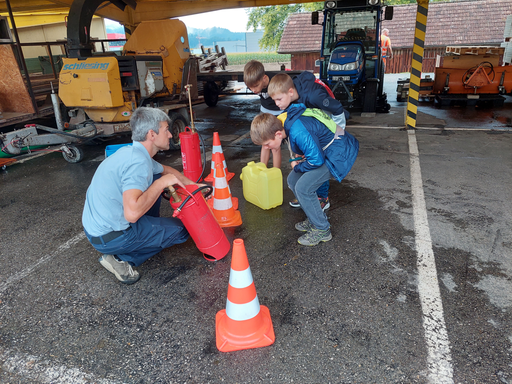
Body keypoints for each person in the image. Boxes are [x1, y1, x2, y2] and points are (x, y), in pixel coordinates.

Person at [82, 107, 201, 284]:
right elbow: (132, 214)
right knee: (183, 230)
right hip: (111, 236)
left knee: (156, 176)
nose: (170, 135)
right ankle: (121, 259)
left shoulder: (132, 153)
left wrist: (196, 187)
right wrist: (161, 184)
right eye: (166, 129)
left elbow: (166, 171)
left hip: (98, 228)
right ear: (152, 134)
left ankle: (147, 232)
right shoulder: (138, 164)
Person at [250, 105, 359, 246]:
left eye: (267, 144)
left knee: (303, 188)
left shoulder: (297, 131)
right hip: (325, 152)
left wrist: (299, 166)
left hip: (337, 154)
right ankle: (314, 218)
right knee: (293, 180)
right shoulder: (284, 124)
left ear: (277, 134)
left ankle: (322, 229)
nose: (265, 148)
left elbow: (317, 160)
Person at [268, 72, 349, 210]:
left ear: (291, 92)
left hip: (329, 118)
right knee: (310, 155)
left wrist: (338, 134)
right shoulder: (289, 97)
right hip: (313, 120)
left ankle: (323, 198)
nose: (277, 104)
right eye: (274, 100)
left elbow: (337, 109)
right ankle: (309, 195)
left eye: (279, 99)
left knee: (320, 160)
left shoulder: (314, 95)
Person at [243, 60, 283, 168]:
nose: (253, 90)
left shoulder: (276, 82)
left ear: (264, 78)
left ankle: (276, 173)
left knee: (275, 146)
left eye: (256, 86)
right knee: (263, 143)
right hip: (265, 111)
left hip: (279, 112)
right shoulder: (254, 84)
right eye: (250, 87)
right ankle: (262, 169)